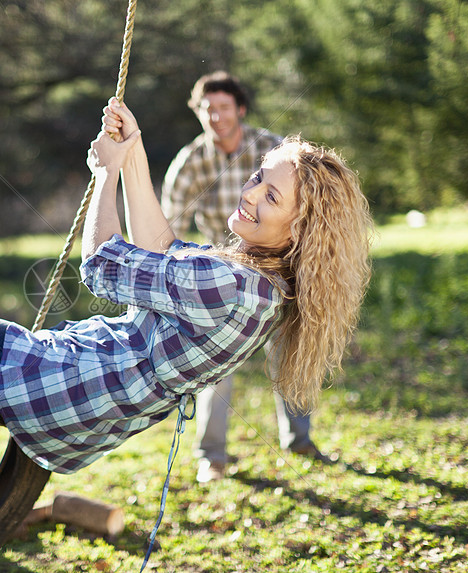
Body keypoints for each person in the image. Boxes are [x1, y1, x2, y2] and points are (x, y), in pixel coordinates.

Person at [0, 98, 372, 477]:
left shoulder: (234, 285)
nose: (247, 195)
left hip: (56, 381)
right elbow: (162, 250)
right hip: (78, 406)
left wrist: (106, 173)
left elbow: (105, 263)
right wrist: (135, 155)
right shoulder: (264, 288)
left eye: (270, 197)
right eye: (255, 179)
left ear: (302, 230)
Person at [162, 71, 324, 483]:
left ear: (241, 110)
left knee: (289, 348)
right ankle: (211, 456)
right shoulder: (191, 161)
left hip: (276, 263)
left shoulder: (270, 149)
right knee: (214, 363)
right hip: (222, 268)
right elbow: (169, 220)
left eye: (223, 107)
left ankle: (299, 439)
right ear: (198, 113)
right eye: (207, 109)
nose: (216, 116)